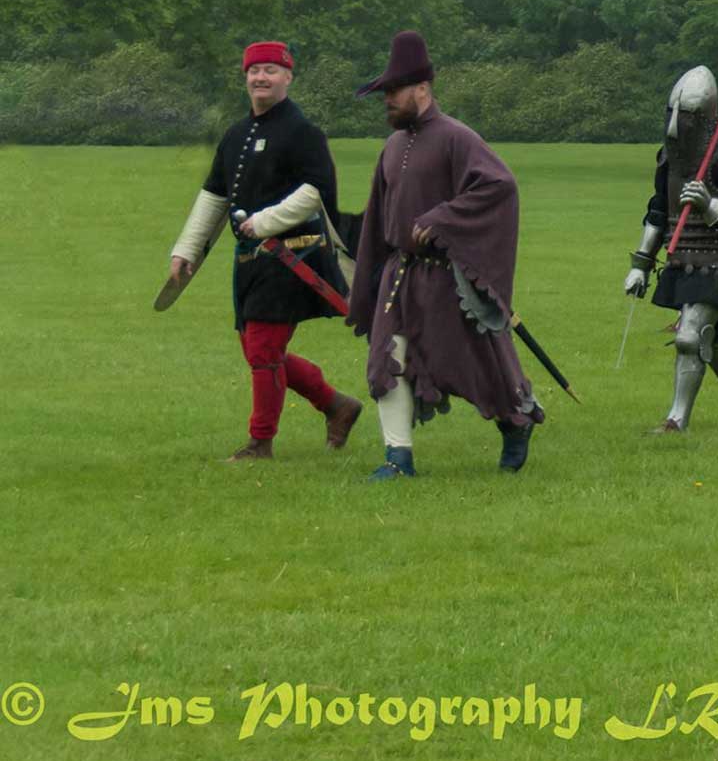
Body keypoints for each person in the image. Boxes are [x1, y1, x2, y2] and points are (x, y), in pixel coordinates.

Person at [346, 31, 544, 478]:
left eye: (394, 91)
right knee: (386, 360)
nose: (387, 101)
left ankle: (515, 423)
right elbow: (379, 215)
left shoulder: (457, 137)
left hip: (446, 279)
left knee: (475, 364)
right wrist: (370, 275)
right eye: (385, 93)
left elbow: (499, 186)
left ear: (422, 88)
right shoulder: (392, 146)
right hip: (400, 277)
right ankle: (398, 459)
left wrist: (442, 219)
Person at [166, 41, 362, 461]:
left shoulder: (303, 132)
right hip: (250, 261)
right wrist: (187, 249)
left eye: (271, 70)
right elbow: (214, 195)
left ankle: (260, 443)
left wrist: (265, 222)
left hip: (293, 258)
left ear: (288, 77)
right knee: (259, 350)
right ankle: (336, 404)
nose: (261, 78)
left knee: (262, 350)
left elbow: (316, 191)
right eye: (254, 71)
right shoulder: (236, 134)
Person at [624, 65, 718, 433]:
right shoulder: (668, 156)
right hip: (680, 258)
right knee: (710, 339)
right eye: (672, 113)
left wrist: (711, 205)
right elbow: (659, 211)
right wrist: (641, 264)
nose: (676, 125)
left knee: (689, 336)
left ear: (704, 117)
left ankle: (676, 420)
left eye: (686, 115)